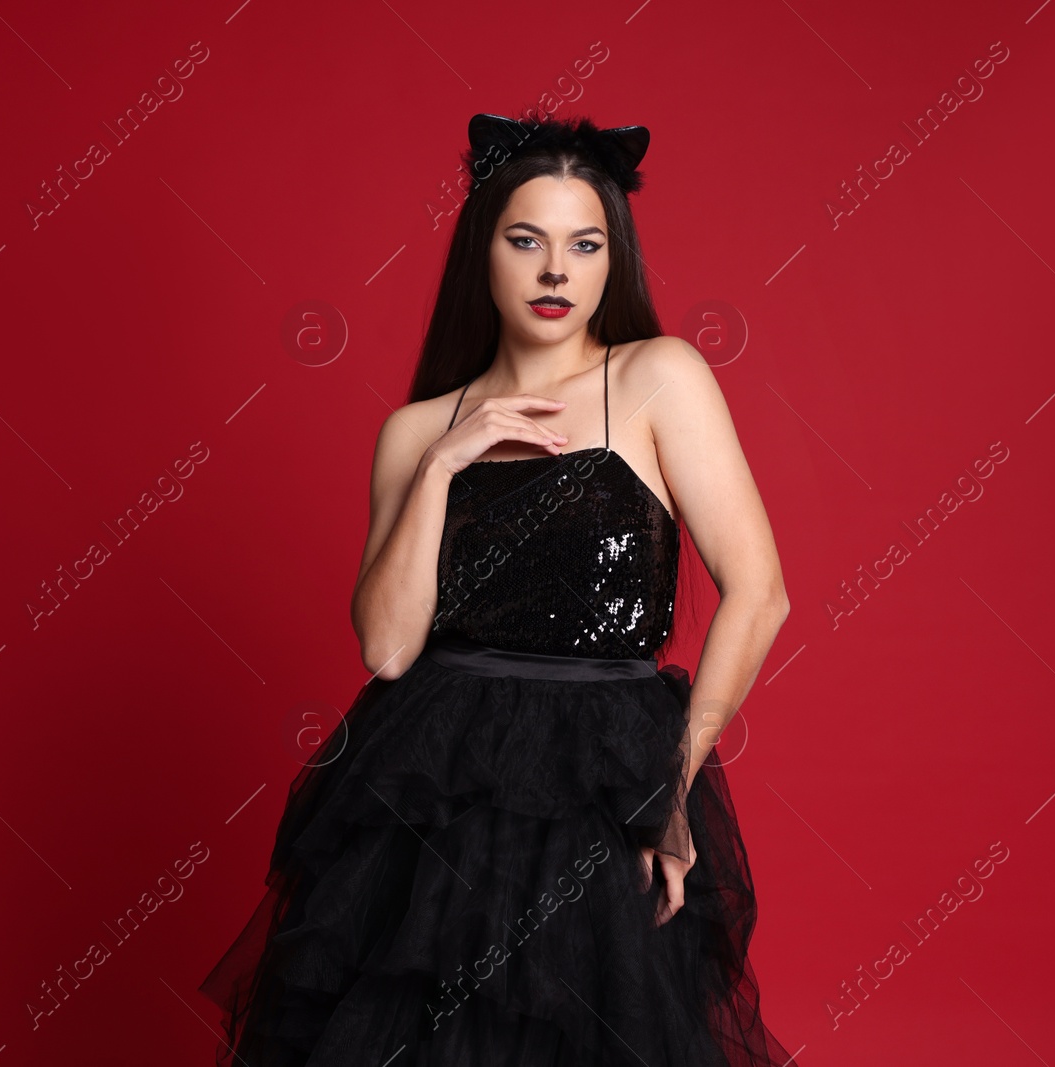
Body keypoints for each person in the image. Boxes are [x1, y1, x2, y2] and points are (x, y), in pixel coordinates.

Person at [199, 111, 795, 1066]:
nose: (556, 270)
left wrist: (666, 789)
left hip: (601, 781)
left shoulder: (659, 377)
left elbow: (759, 593)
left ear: (611, 262)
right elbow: (388, 649)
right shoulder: (417, 430)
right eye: (527, 241)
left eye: (584, 244)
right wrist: (443, 465)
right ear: (486, 250)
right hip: (436, 785)